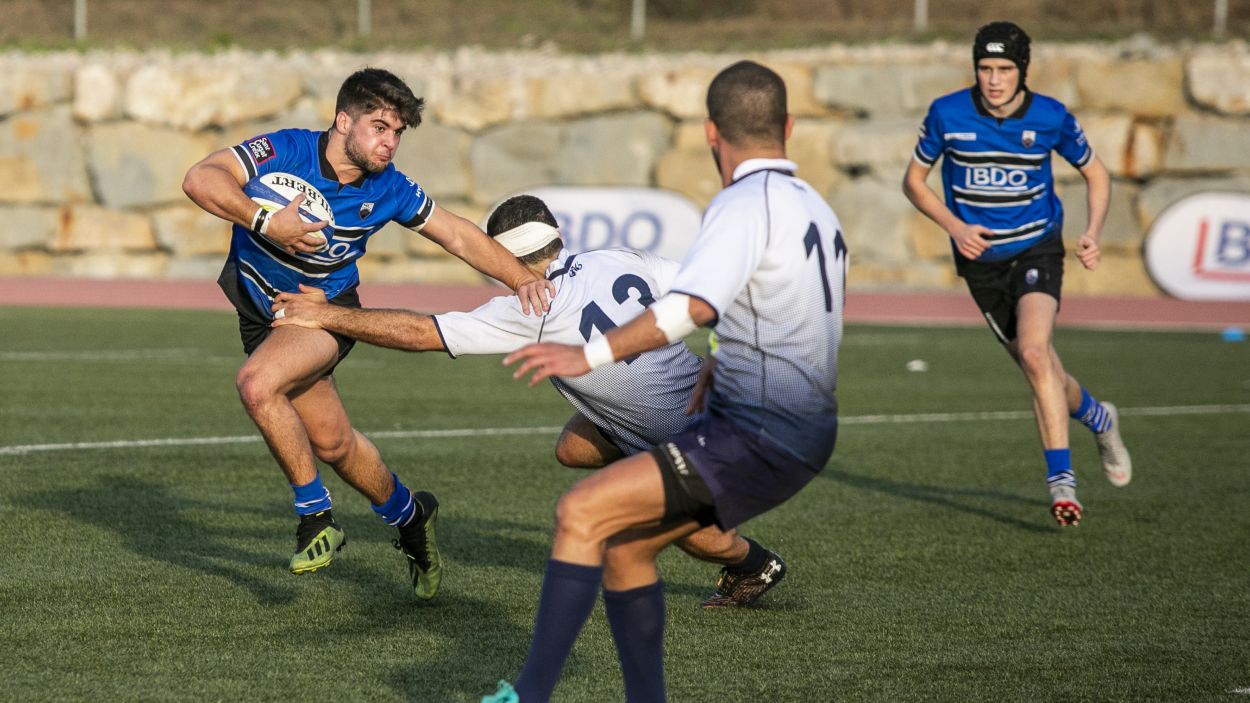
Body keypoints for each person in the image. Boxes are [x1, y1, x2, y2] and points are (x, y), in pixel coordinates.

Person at [483, 60, 847, 703]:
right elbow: (766, 307)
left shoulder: (741, 203)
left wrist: (588, 356)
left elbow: (692, 307)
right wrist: (720, 361)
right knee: (625, 547)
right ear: (788, 126)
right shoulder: (816, 207)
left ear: (711, 134)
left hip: (755, 429)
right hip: (806, 422)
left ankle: (528, 695)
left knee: (580, 513)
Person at [270, 193, 789, 609]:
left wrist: (328, 314)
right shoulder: (615, 257)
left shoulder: (530, 309)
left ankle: (756, 564)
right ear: (557, 235)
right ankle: (646, 454)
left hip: (700, 434)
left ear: (503, 256)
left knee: (681, 529)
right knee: (574, 448)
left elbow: (418, 332)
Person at [181, 67, 553, 600]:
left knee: (257, 385)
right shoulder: (283, 150)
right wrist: (264, 220)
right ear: (342, 120)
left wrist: (519, 277)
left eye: (398, 132)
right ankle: (411, 516)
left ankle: (315, 518)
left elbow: (455, 234)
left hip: (322, 311)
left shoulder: (390, 188)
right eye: (379, 127)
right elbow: (200, 178)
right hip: (261, 311)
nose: (389, 142)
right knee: (333, 442)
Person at [901, 21, 1132, 527]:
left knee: (1033, 349)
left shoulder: (1050, 117)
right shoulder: (947, 113)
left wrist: (1092, 230)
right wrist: (956, 226)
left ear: (1022, 70)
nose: (994, 79)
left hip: (1037, 249)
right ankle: (1097, 415)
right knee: (1039, 365)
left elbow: (1095, 172)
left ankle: (1062, 484)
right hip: (980, 262)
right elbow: (914, 182)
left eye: (1005, 69)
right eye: (985, 68)